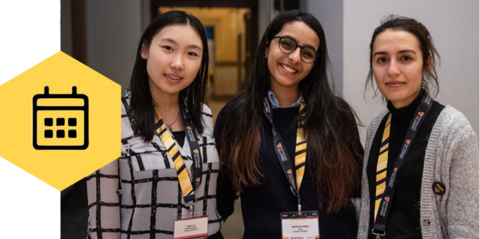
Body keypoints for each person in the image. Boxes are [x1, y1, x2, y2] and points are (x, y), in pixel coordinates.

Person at [214, 10, 364, 239]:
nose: (295, 57)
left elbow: (359, 190)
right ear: (267, 48)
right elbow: (220, 199)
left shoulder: (336, 114)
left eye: (307, 53)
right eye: (287, 44)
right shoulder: (236, 116)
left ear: (315, 63)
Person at [86, 10, 223, 239]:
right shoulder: (108, 119)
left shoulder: (204, 115)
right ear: (145, 49)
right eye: (168, 48)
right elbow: (103, 218)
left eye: (191, 53)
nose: (178, 63)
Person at [357, 15, 480, 239]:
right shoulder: (377, 126)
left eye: (405, 58)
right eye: (382, 59)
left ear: (426, 64)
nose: (392, 70)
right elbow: (369, 209)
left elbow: (466, 228)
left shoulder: (454, 131)